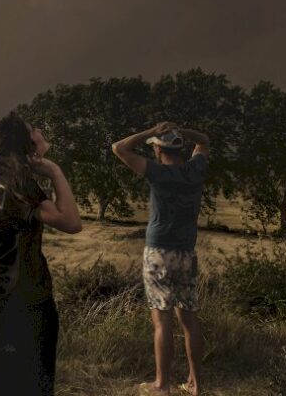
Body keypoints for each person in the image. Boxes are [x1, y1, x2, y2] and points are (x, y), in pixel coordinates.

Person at [0, 112, 82, 396]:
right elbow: (72, 222)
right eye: (33, 129)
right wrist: (55, 172)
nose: (40, 130)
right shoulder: (20, 188)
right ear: (27, 145)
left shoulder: (7, 182)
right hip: (24, 304)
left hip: (4, 300)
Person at [111, 122, 211, 396]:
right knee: (189, 320)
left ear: (157, 149)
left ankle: (162, 385)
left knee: (162, 321)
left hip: (159, 253)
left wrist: (149, 132)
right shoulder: (195, 169)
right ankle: (196, 383)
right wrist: (183, 133)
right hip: (187, 253)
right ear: (180, 148)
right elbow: (204, 139)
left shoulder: (157, 172)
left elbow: (118, 148)